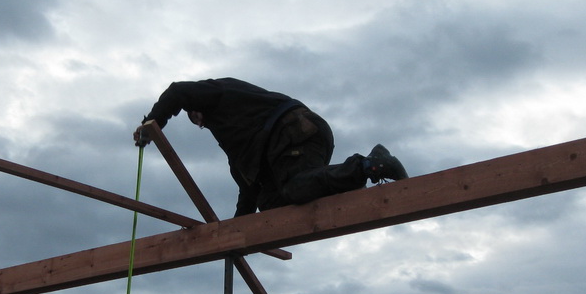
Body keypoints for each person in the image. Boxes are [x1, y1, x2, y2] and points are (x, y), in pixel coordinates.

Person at [134, 77, 407, 216]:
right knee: (271, 204)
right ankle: (353, 178)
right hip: (291, 140)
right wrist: (236, 232)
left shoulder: (219, 93)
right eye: (196, 123)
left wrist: (151, 124)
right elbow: (248, 188)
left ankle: (369, 165)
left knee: (295, 186)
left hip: (292, 129)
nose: (200, 122)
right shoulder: (239, 141)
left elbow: (177, 92)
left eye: (196, 116)